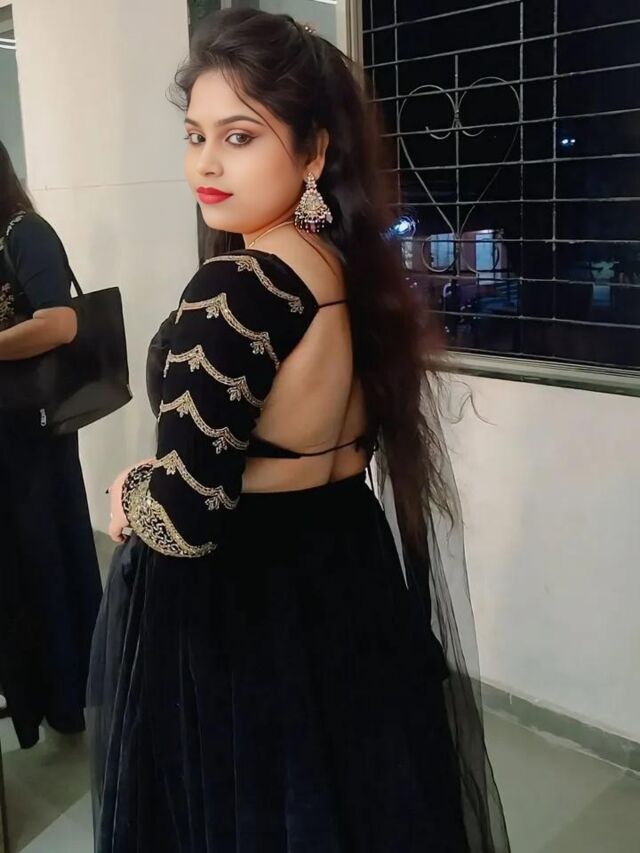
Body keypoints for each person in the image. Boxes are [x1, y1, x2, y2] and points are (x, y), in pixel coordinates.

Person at [88, 10, 510, 852]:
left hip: (243, 601)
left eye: (239, 136)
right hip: (342, 569)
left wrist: (133, 491)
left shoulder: (240, 284)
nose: (205, 163)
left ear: (314, 152)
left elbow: (187, 516)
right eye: (195, 135)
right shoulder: (341, 268)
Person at [0, 140, 103, 748]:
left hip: (30, 432)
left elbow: (60, 323)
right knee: (17, 570)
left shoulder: (25, 232)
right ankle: (33, 694)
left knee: (45, 560)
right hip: (8, 430)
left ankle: (67, 696)